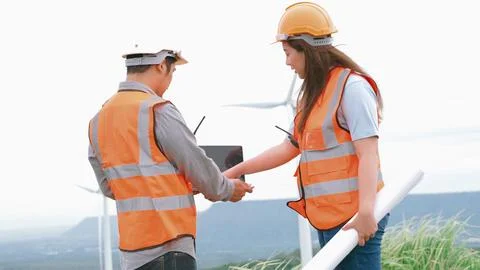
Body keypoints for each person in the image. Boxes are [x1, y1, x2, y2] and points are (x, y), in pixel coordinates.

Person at [223, 2, 388, 269]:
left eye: (288, 53)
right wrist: (232, 171)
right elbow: (288, 147)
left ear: (307, 49)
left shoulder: (352, 87)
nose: (287, 62)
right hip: (328, 216)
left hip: (355, 216)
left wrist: (367, 212)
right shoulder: (313, 94)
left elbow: (368, 154)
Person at [88, 45, 253, 270]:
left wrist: (174, 185)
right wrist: (227, 189)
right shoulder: (157, 110)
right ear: (161, 64)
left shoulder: (99, 119)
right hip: (169, 246)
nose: (171, 79)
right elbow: (195, 162)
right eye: (172, 71)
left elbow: (111, 187)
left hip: (132, 251)